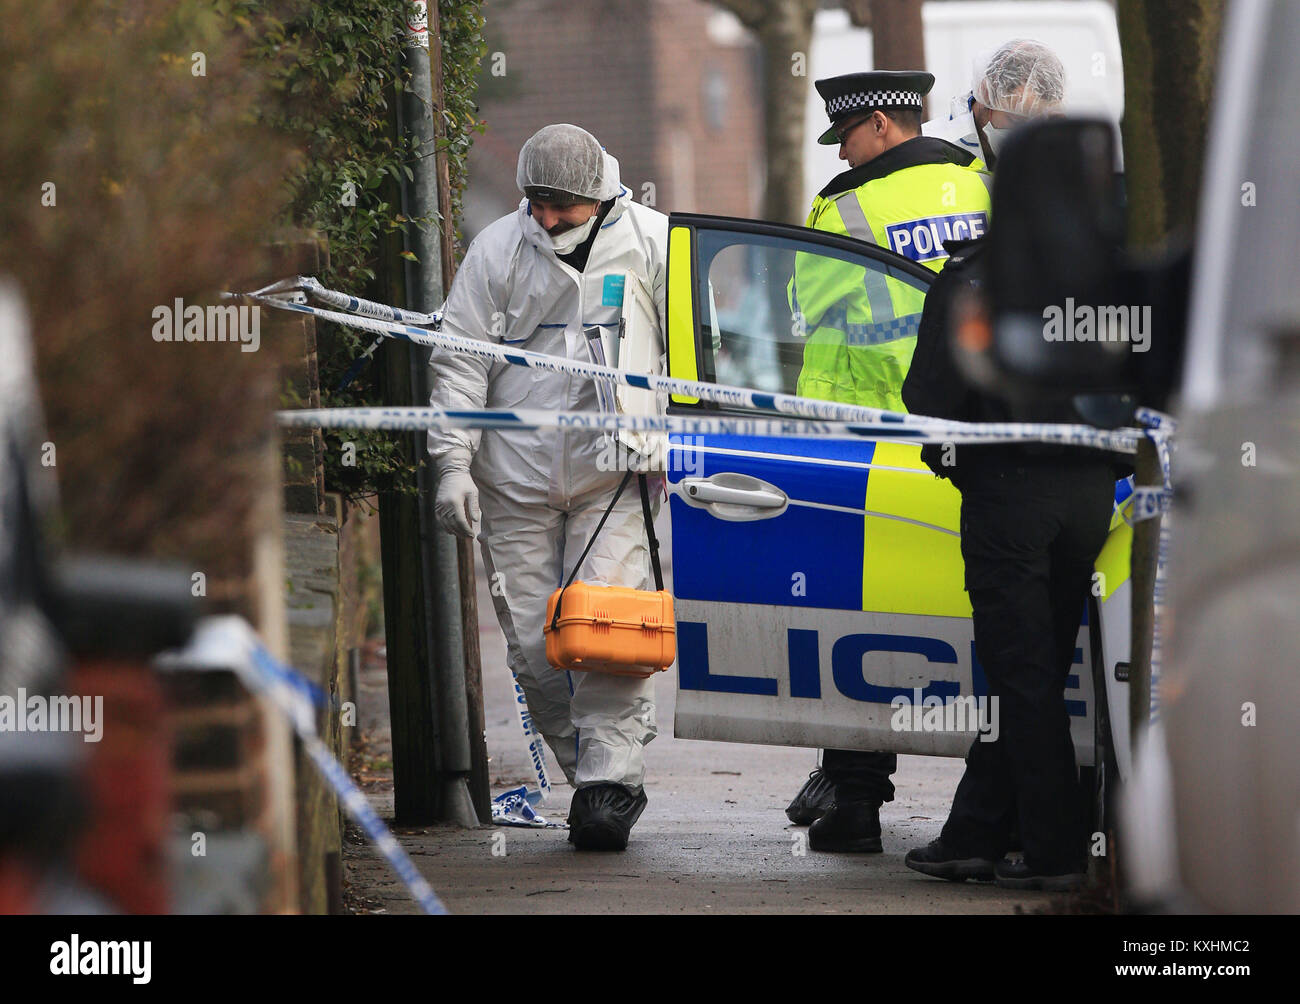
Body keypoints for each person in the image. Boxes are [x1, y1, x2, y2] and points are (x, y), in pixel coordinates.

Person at [900, 44, 1123, 891]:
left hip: (1009, 492)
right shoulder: (1108, 271)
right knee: (1030, 667)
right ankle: (976, 833)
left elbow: (929, 404)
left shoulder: (976, 275)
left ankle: (1060, 851)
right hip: (1091, 495)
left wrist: (966, 466)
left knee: (1022, 676)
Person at [428, 124, 669, 851]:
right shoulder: (498, 252)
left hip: (615, 474)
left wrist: (671, 438)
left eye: (561, 205)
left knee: (607, 636)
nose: (547, 219)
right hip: (516, 481)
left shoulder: (654, 243)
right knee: (538, 652)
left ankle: (607, 786)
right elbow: (460, 365)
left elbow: (693, 347)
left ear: (598, 196)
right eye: (536, 203)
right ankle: (593, 772)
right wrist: (452, 464)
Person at [784, 70, 992, 852]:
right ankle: (995, 812)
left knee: (858, 624)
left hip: (869, 448)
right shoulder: (980, 186)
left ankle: (858, 805)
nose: (840, 152)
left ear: (878, 124)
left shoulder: (841, 208)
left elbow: (813, 325)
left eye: (844, 137)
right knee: (985, 629)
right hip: (975, 439)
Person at [922, 38, 1067, 171]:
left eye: (1040, 123)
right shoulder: (929, 148)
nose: (1027, 133)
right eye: (1017, 120)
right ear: (986, 94)